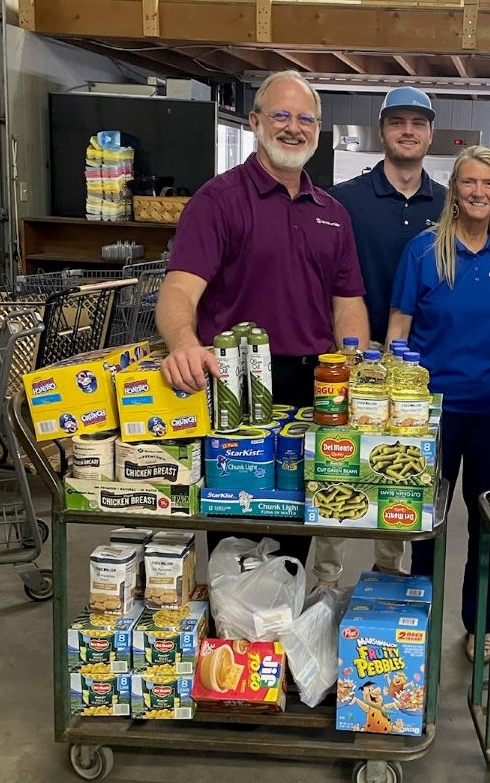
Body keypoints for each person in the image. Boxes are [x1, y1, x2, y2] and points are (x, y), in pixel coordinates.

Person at [155, 69, 369, 578]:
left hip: (313, 385)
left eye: (306, 118)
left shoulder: (332, 213)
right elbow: (179, 290)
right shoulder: (219, 200)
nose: (294, 128)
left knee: (299, 526)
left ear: (318, 130)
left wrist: (355, 358)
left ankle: (282, 640)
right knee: (237, 528)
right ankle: (233, 643)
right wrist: (183, 344)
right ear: (254, 122)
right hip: (236, 384)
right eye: (281, 115)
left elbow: (348, 301)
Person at [388, 145, 490, 663]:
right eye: (469, 182)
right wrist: (396, 400)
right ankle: (419, 620)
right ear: (455, 191)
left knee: (487, 521)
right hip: (433, 409)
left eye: (488, 184)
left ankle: (481, 625)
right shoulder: (424, 251)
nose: (478, 192)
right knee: (427, 521)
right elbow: (399, 329)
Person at [314, 86, 446, 581]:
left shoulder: (450, 206)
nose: (408, 131)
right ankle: (325, 582)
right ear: (382, 131)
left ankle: (385, 578)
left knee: (399, 467)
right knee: (338, 463)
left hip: (415, 366)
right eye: (398, 122)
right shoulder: (343, 201)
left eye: (418, 122)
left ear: (430, 133)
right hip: (350, 357)